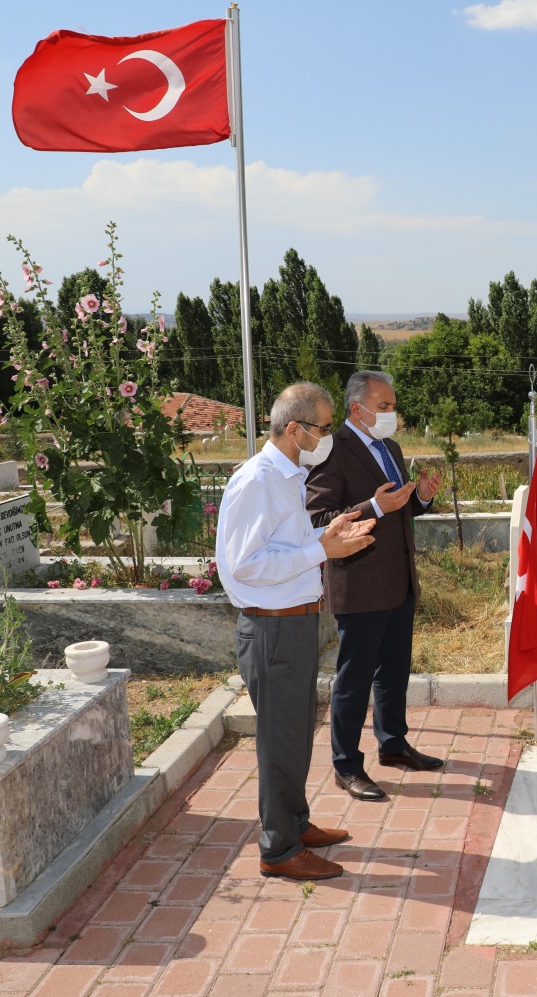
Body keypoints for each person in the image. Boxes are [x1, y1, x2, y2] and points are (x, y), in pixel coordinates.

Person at [215, 382, 377, 881]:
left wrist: (327, 534)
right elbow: (244, 565)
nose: (329, 437)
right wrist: (321, 551)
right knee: (280, 740)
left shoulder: (289, 475)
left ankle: (295, 824)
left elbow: (287, 542)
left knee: (296, 733)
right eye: (324, 428)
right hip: (272, 628)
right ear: (294, 429)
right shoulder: (257, 480)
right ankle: (279, 848)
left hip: (295, 622)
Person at [306, 370, 444, 801]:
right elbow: (318, 519)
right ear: (357, 409)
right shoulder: (331, 450)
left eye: (393, 406)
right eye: (383, 407)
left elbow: (399, 511)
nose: (391, 414)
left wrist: (420, 498)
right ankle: (346, 765)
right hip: (360, 582)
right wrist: (374, 507)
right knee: (355, 679)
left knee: (394, 672)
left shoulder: (390, 447)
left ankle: (393, 744)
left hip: (398, 581)